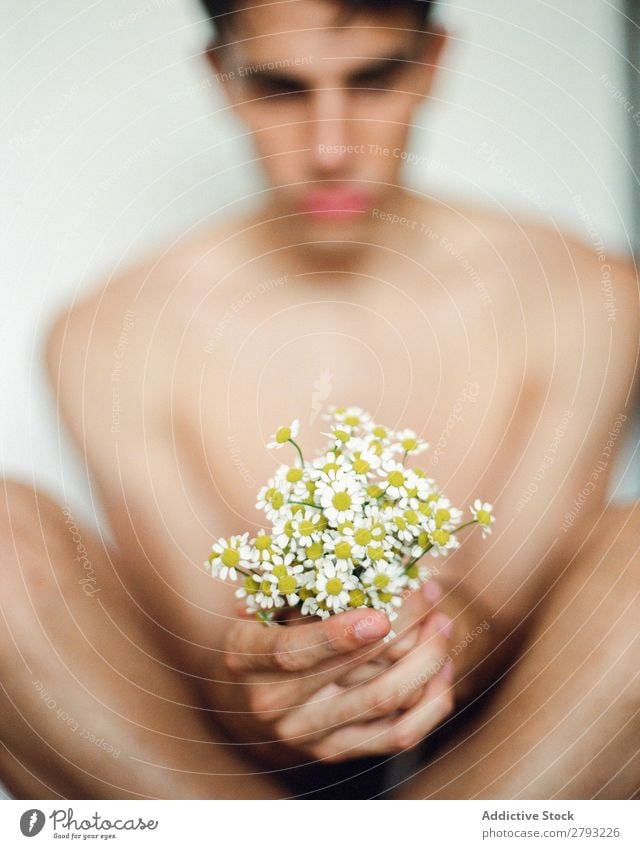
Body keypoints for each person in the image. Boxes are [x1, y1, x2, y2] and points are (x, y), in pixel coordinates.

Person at [1, 0, 638, 799]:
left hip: (507, 756)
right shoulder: (109, 333)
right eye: (280, 88)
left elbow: (505, 636)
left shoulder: (587, 299)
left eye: (374, 78)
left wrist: (426, 642)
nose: (331, 148)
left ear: (433, 61)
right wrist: (275, 672)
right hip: (216, 775)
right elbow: (212, 667)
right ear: (222, 78)